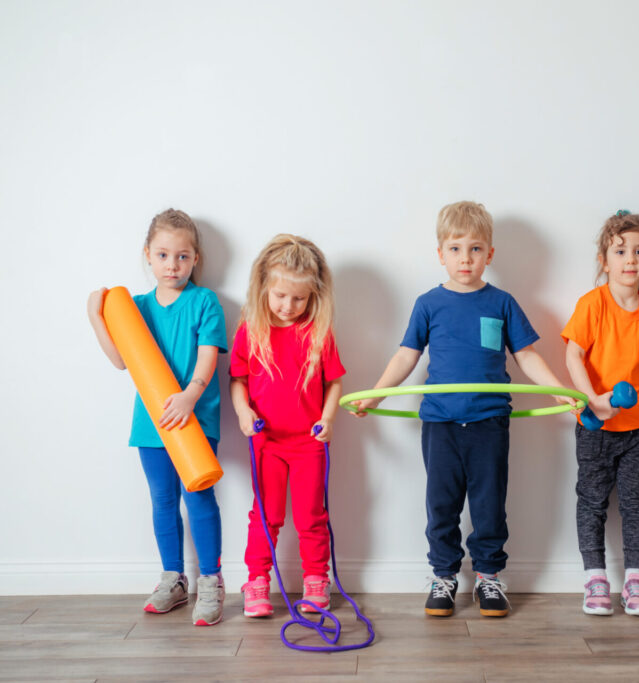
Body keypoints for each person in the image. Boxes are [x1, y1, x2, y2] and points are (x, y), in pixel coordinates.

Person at [351, 201, 574, 618]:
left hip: (489, 420)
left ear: (489, 254)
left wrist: (559, 391)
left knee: (489, 503)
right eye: (455, 248)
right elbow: (406, 356)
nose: (465, 258)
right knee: (442, 503)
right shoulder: (428, 304)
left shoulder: (502, 302)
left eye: (474, 249)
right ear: (440, 254)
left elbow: (527, 356)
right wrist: (377, 394)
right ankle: (444, 576)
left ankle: (489, 577)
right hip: (440, 422)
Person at [87, 209, 227, 626]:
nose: (172, 265)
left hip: (194, 417)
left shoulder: (205, 302)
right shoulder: (137, 307)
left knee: (198, 497)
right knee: (162, 502)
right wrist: (97, 318)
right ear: (148, 255)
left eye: (182, 256)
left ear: (196, 258)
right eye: (163, 255)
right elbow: (120, 361)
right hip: (152, 423)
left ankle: (212, 581)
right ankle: (173, 578)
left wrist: (189, 396)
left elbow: (207, 360)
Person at [230, 234, 345, 619]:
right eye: (280, 296)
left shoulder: (317, 333)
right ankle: (257, 581)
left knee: (312, 515)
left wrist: (327, 418)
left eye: (299, 298)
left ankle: (316, 580)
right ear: (264, 289)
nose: (288, 306)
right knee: (266, 515)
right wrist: (244, 413)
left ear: (313, 296)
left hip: (309, 444)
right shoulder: (252, 330)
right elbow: (238, 381)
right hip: (267, 443)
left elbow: (334, 383)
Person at [562, 210, 639, 617]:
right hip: (595, 426)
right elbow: (573, 354)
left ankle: (636, 580)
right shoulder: (592, 304)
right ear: (604, 260)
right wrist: (592, 398)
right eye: (620, 251)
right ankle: (595, 579)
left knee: (637, 503)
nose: (630, 259)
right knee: (591, 501)